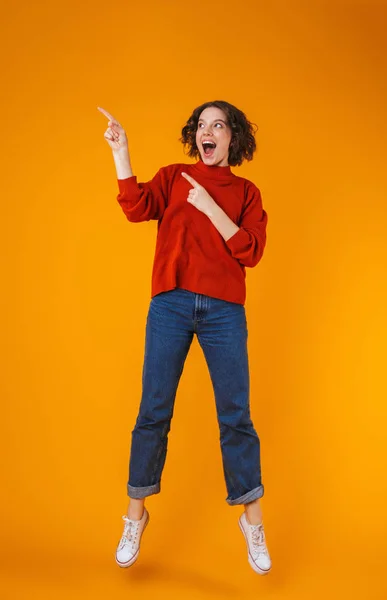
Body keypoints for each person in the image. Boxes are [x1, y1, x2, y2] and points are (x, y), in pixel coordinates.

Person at [98, 100, 272, 575]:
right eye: (202, 125)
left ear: (233, 137)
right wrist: (122, 153)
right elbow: (135, 208)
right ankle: (135, 516)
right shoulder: (174, 177)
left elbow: (250, 251)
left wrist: (212, 209)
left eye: (219, 125)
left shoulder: (247, 192)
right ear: (194, 135)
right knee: (153, 411)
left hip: (224, 312)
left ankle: (252, 524)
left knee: (236, 415)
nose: (207, 132)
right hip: (171, 305)